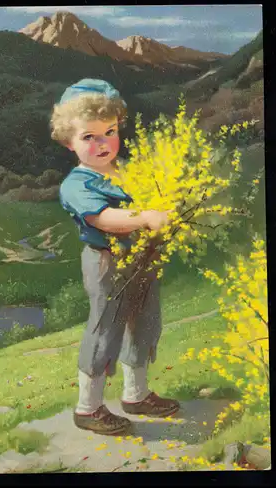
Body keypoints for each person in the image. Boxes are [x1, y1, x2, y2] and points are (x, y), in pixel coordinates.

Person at [50, 78, 180, 435]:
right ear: (68, 141)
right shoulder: (78, 184)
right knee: (106, 328)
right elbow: (103, 219)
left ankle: (136, 394)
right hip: (106, 261)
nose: (102, 143)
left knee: (146, 323)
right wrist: (145, 218)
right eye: (88, 137)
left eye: (108, 131)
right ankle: (88, 408)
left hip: (142, 258)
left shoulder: (126, 170)